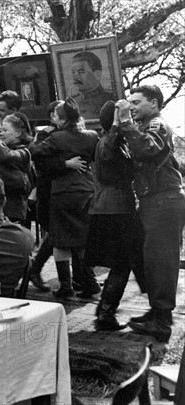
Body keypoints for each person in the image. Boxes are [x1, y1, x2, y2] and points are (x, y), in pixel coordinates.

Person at [115, 85, 185, 343]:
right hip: (154, 200)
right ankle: (157, 311)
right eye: (129, 103)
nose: (131, 107)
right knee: (151, 259)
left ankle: (162, 322)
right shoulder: (146, 126)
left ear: (154, 104)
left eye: (136, 102)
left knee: (162, 260)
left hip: (164, 200)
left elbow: (147, 149)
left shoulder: (158, 125)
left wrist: (125, 121)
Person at [29, 98, 100, 299]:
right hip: (86, 191)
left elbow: (35, 152)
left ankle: (66, 285)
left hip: (63, 194)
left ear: (61, 119)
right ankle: (90, 281)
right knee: (83, 240)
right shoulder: (92, 136)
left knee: (60, 240)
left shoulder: (57, 138)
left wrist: (61, 161)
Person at [84, 101, 144, 331]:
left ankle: (105, 309)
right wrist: (118, 124)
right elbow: (108, 153)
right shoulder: (108, 142)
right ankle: (106, 312)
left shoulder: (114, 140)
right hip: (115, 208)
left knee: (124, 261)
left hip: (115, 206)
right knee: (123, 262)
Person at [69, 51, 114, 120]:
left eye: (81, 72)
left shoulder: (109, 99)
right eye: (73, 72)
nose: (75, 77)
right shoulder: (72, 102)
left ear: (97, 74)